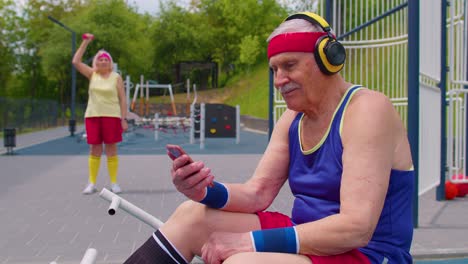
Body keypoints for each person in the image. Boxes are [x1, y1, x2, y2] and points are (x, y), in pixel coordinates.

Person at [124, 12, 414, 264]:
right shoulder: (293, 118)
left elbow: (357, 228)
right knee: (192, 216)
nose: (278, 80)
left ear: (329, 59)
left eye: (289, 66)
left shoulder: (367, 110)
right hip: (310, 236)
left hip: (367, 254)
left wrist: (250, 243)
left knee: (244, 260)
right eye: (274, 70)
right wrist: (203, 191)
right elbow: (258, 193)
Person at [72, 33, 128, 195]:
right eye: (100, 59)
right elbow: (76, 61)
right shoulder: (92, 74)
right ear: (96, 62)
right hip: (93, 116)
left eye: (106, 59)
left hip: (112, 116)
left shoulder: (116, 77)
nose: (103, 61)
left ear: (110, 63)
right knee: (94, 149)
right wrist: (85, 42)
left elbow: (123, 99)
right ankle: (91, 183)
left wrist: (123, 119)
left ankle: (114, 183)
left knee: (111, 149)